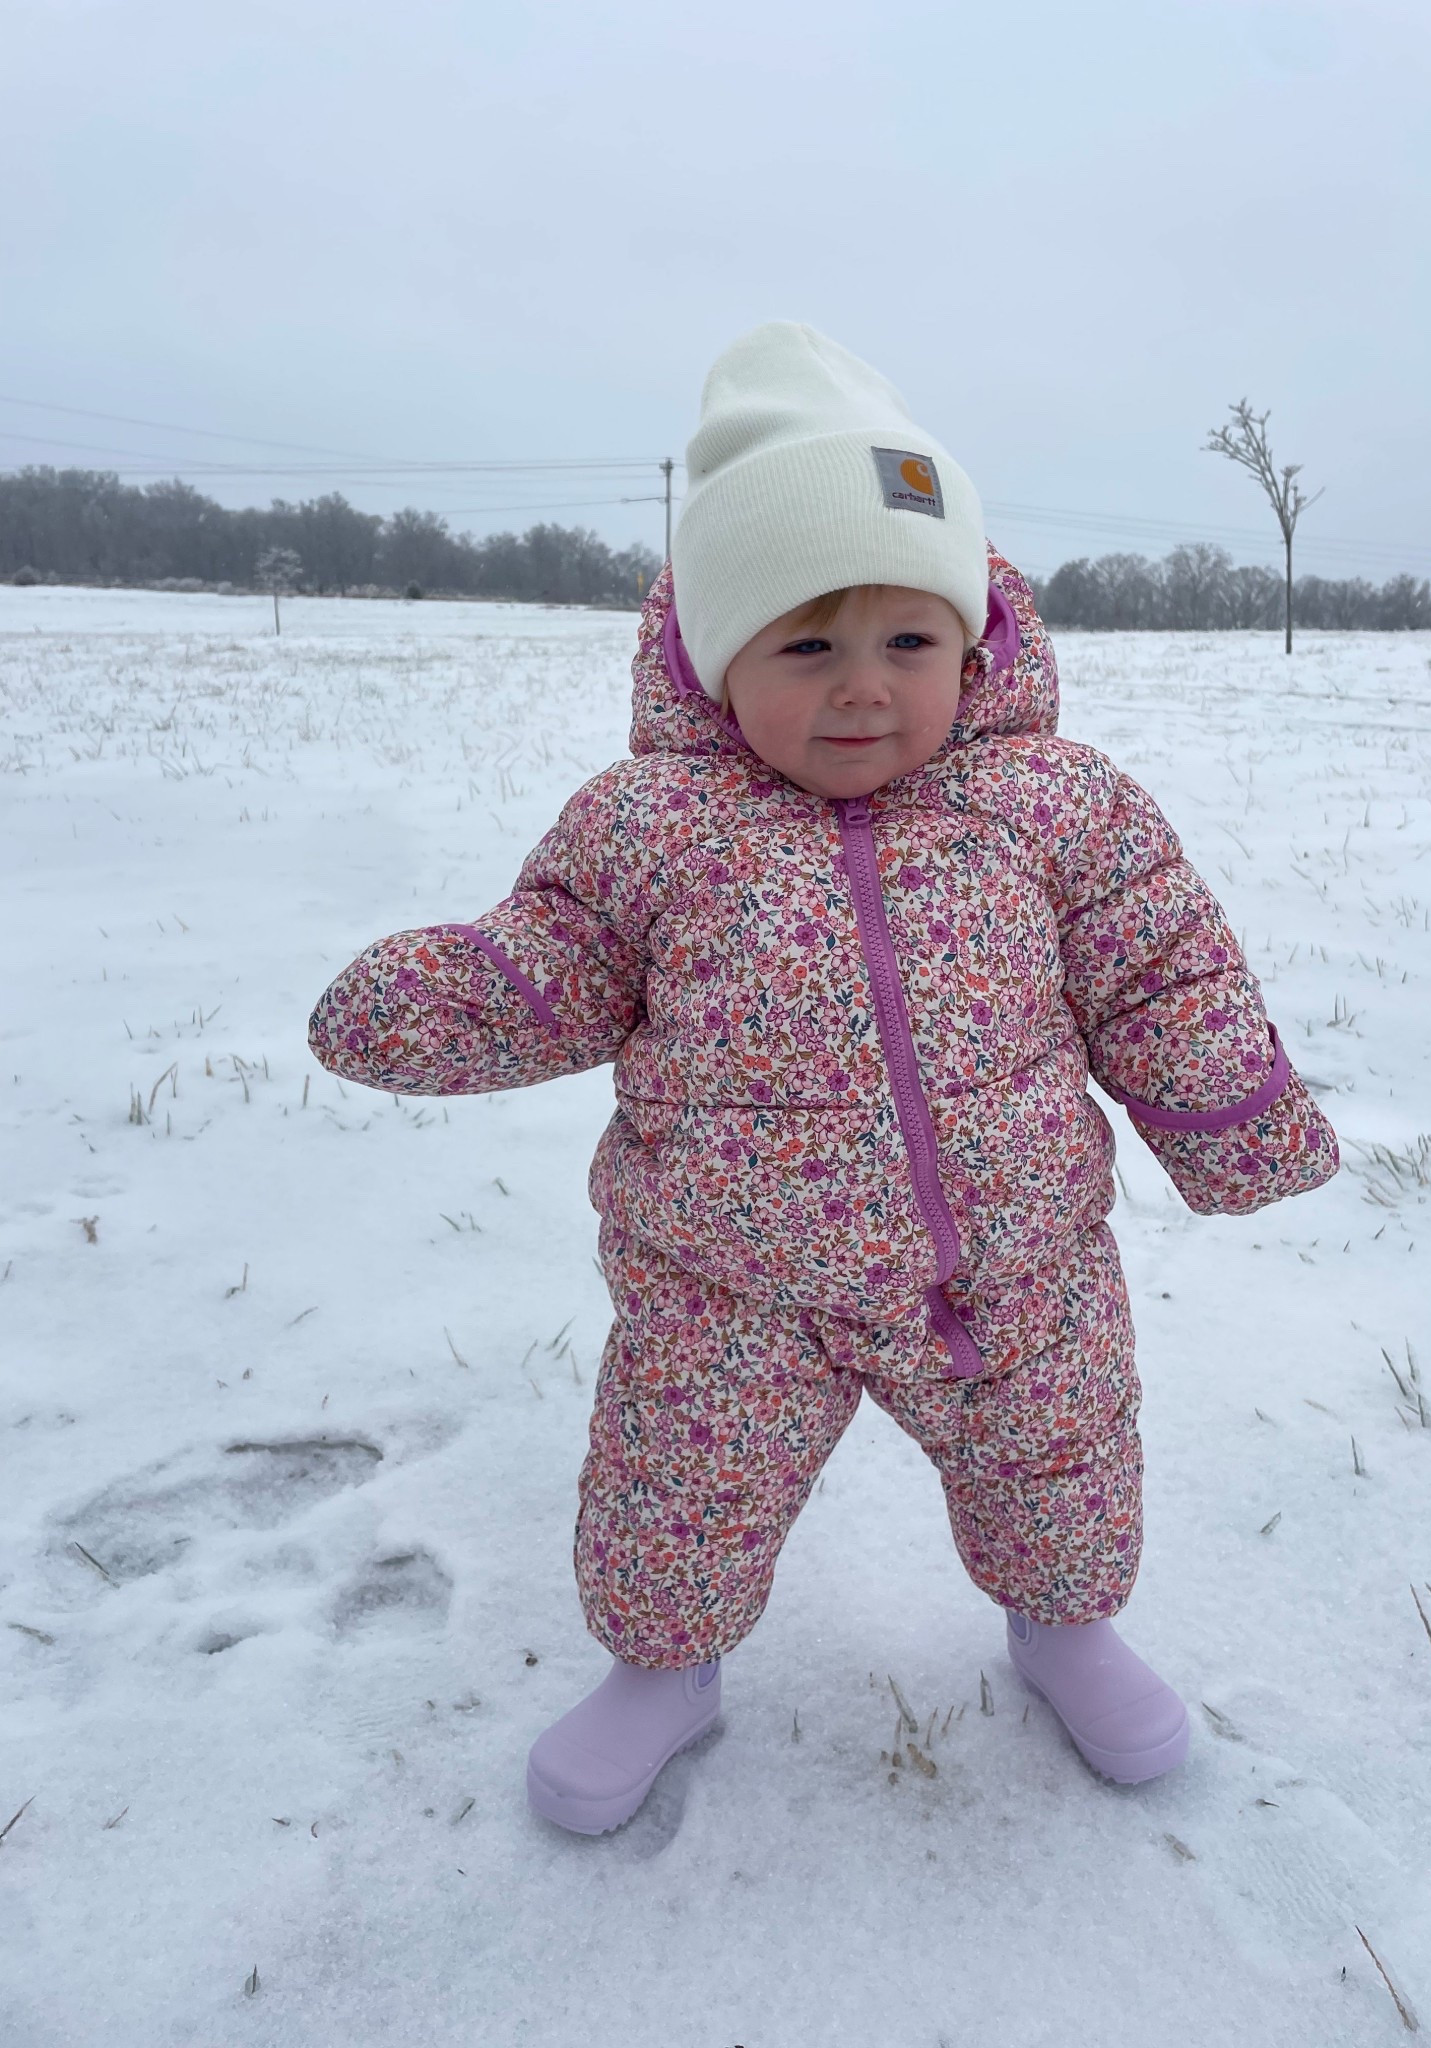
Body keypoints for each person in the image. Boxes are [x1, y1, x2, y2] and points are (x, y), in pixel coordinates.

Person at [308, 323, 1339, 1835]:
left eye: (907, 642)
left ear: (974, 645)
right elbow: (560, 957)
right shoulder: (651, 827)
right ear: (717, 664)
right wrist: (449, 1000)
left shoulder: (1055, 804)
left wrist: (1234, 1123)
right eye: (807, 646)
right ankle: (664, 1670)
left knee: (1059, 1462)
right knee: (679, 1487)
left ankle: (1064, 1629)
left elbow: (1161, 968)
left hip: (1011, 1264)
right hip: (728, 1280)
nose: (863, 689)